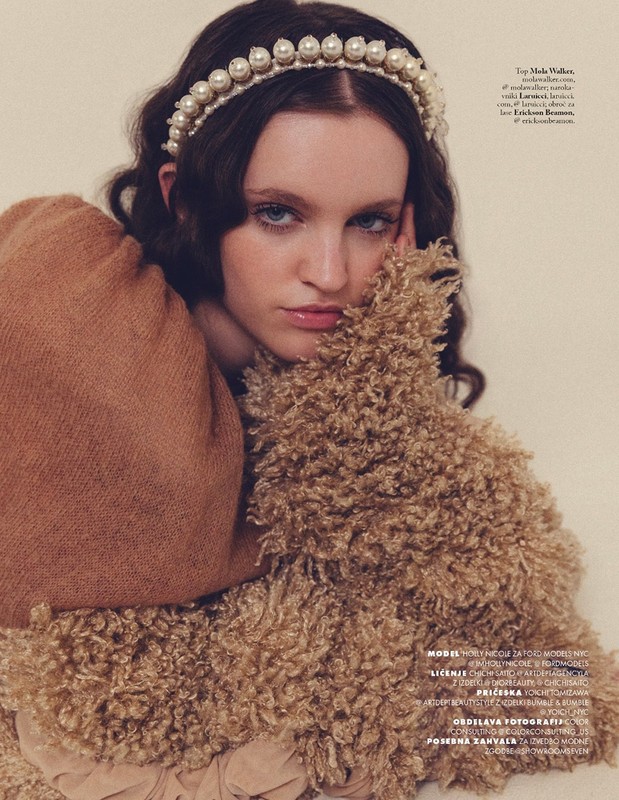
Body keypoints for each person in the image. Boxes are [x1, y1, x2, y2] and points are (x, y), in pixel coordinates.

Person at [0, 1, 617, 798]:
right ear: (184, 199)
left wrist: (380, 364)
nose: (329, 273)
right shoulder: (79, 323)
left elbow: (547, 689)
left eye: (370, 222)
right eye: (277, 213)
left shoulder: (345, 425)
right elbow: (88, 697)